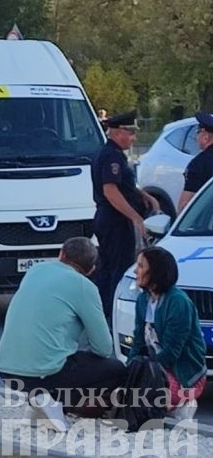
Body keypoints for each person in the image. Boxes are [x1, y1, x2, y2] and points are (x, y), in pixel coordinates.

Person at [0, 237, 124, 431]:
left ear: (61, 254)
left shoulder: (35, 271)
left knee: (56, 359)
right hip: (44, 373)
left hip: (6, 371)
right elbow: (104, 347)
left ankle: (38, 403)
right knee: (116, 369)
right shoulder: (84, 286)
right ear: (91, 270)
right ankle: (52, 400)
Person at [91, 110, 159, 317]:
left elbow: (122, 184)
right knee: (117, 270)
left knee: (109, 267)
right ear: (118, 132)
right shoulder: (111, 156)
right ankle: (112, 315)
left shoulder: (113, 154)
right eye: (130, 133)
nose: (134, 138)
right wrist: (135, 217)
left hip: (113, 219)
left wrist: (142, 195)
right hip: (114, 220)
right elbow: (110, 191)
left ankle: (105, 313)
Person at [128, 247, 206, 422]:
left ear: (155, 272)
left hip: (182, 372)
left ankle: (184, 403)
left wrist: (145, 376)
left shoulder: (178, 302)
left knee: (147, 398)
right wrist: (129, 371)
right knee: (122, 391)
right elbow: (138, 341)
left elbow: (172, 351)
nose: (135, 270)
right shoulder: (143, 300)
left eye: (140, 266)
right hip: (156, 367)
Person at [178, 112, 213, 213]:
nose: (196, 137)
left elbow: (185, 205)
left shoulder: (199, 164)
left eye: (198, 132)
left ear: (205, 138)